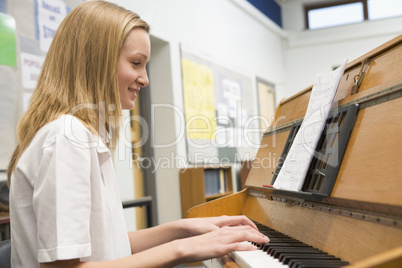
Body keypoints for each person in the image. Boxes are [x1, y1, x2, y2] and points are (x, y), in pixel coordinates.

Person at [7, 1, 269, 267]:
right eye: (136, 63)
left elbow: (111, 244)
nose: (144, 79)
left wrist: (185, 228)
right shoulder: (67, 137)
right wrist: (185, 249)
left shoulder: (82, 135)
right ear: (96, 61)